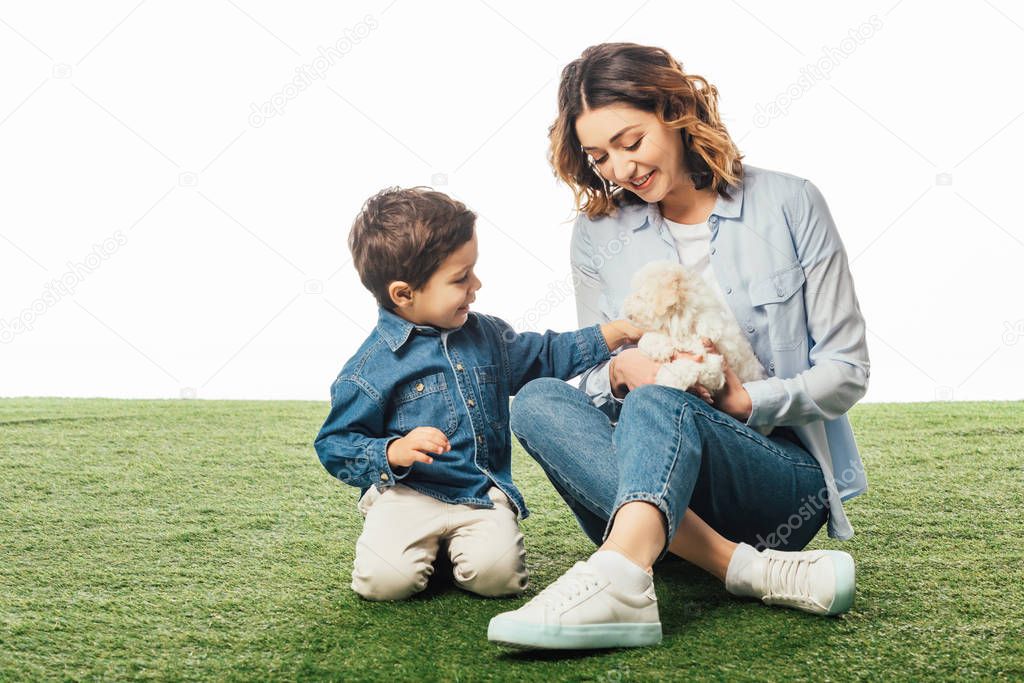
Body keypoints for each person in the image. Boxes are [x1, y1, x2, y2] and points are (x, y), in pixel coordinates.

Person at [487, 43, 870, 650]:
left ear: (674, 111)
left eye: (630, 142)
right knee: (536, 400)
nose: (618, 169)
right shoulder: (599, 234)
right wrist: (620, 374)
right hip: (657, 488)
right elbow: (596, 368)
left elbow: (847, 371)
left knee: (658, 403)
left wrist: (747, 403)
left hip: (776, 482)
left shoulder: (790, 202)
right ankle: (731, 568)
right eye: (599, 155)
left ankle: (627, 574)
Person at [313, 186, 643, 601]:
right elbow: (335, 444)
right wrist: (390, 453)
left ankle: (454, 550)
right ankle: (420, 548)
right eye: (460, 278)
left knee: (499, 579)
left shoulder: (486, 335)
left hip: (478, 494)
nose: (477, 284)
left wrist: (609, 335)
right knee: (385, 584)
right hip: (408, 495)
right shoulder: (369, 369)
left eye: (473, 270)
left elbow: (543, 354)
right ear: (403, 294)